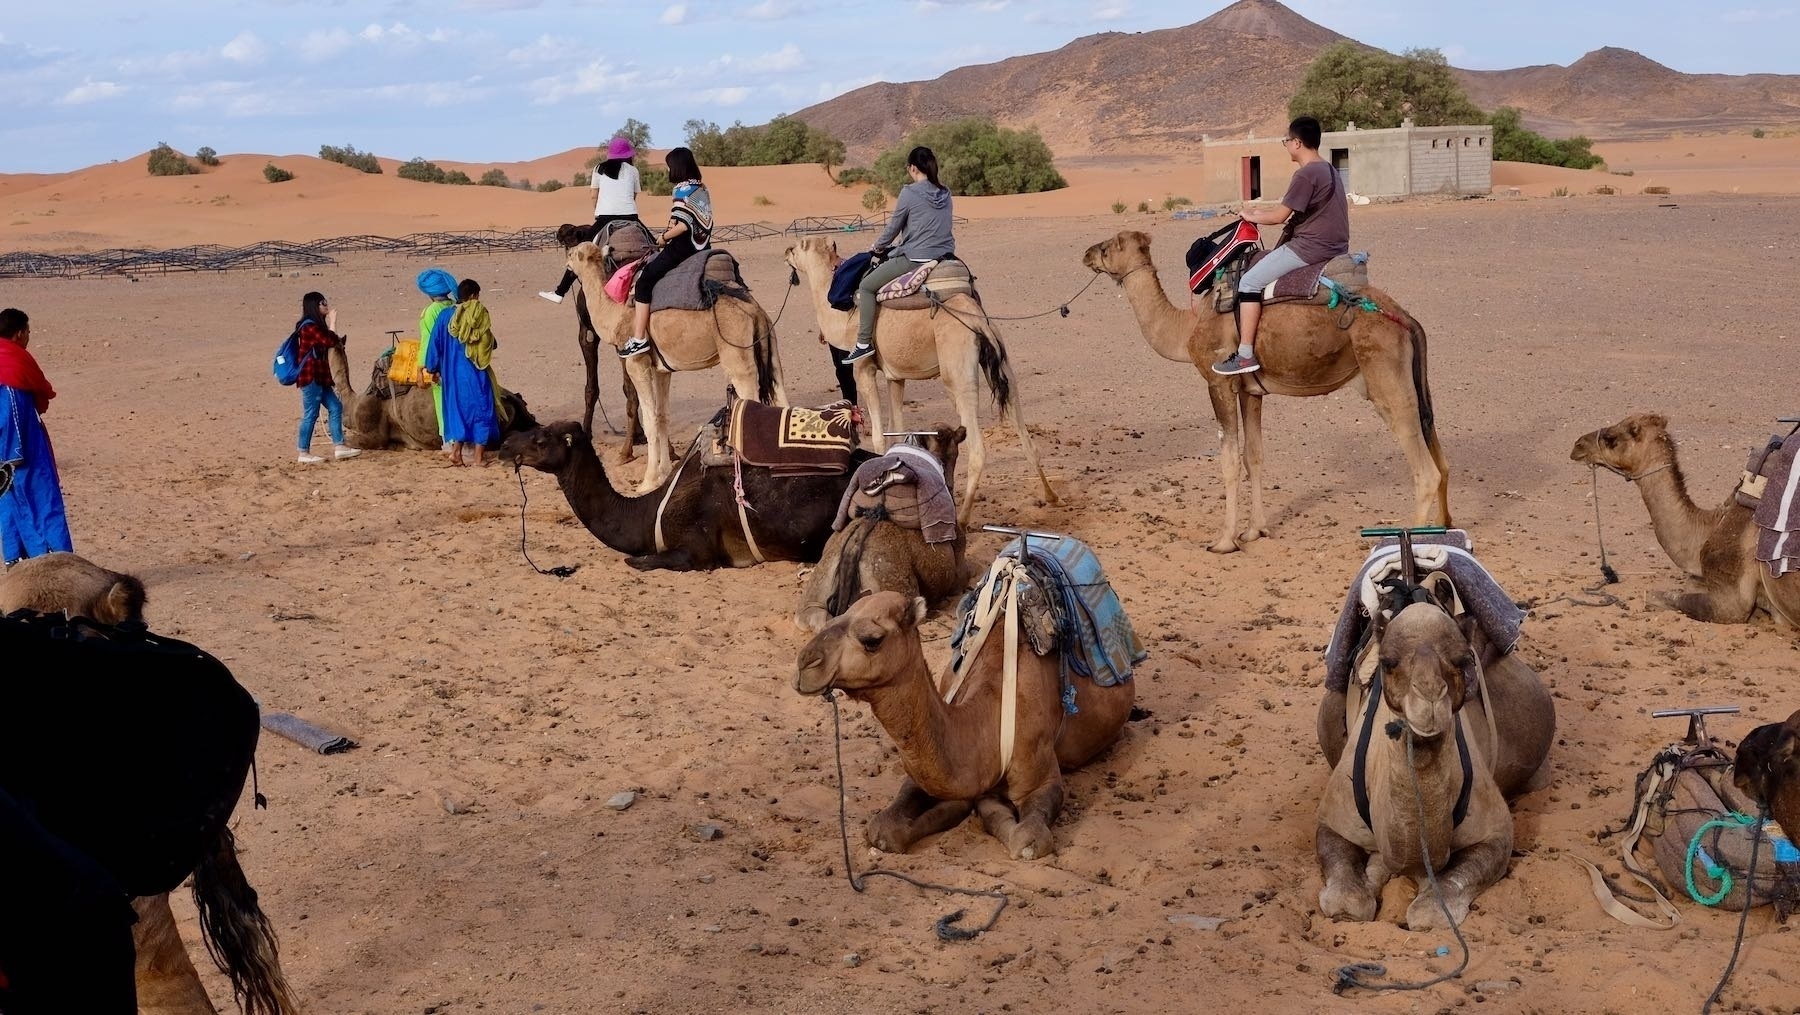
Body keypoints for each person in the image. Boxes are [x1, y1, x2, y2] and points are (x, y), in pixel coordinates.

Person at [1212, 115, 1349, 376]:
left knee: (1249, 283)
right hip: (1335, 245)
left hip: (1310, 247)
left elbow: (1278, 217)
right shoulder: (1329, 169)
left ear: (1297, 143)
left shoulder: (1305, 175)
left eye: (1286, 141)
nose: (1286, 145)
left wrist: (1250, 216)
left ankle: (1245, 355)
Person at [843, 146, 955, 365]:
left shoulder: (910, 192)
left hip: (916, 257)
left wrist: (878, 246)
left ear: (913, 168)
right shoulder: (945, 192)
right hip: (947, 255)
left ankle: (863, 343)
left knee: (866, 286)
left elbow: (894, 226)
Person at [620, 147, 711, 360]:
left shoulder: (682, 189)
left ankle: (639, 339)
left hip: (683, 246)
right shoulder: (702, 188)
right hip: (703, 246)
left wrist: (664, 237)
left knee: (644, 281)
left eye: (670, 166)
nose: (669, 170)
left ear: (677, 167)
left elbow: (684, 225)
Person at [0, 309, 73, 564]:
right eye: (28, 332)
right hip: (20, 451)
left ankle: (15, 561)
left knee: (9, 502)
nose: (29, 338)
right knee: (42, 500)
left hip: (6, 454)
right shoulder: (15, 365)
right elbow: (15, 414)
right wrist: (14, 456)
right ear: (19, 334)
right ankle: (56, 562)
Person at [540, 137, 644, 304]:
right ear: (627, 155)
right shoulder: (633, 171)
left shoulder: (598, 169)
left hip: (605, 217)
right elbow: (633, 196)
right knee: (654, 246)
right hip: (631, 217)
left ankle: (559, 292)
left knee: (580, 253)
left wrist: (598, 212)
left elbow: (593, 194)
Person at [428, 278, 502, 465]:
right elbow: (489, 343)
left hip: (452, 376)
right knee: (482, 411)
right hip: (475, 373)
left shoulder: (444, 316)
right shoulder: (478, 315)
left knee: (458, 412)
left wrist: (432, 369)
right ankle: (478, 459)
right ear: (473, 296)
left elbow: (434, 345)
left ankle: (456, 453)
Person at [292, 293, 361, 464]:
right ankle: (303, 452)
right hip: (311, 376)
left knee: (336, 407)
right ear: (314, 306)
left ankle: (340, 447)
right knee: (311, 414)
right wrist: (333, 322)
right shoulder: (308, 327)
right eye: (323, 303)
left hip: (321, 377)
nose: (326, 305)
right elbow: (329, 340)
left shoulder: (315, 325)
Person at [415, 267, 457, 443]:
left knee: (443, 402)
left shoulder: (430, 311)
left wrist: (421, 369)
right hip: (457, 362)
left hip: (440, 365)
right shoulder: (454, 307)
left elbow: (428, 342)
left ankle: (449, 441)